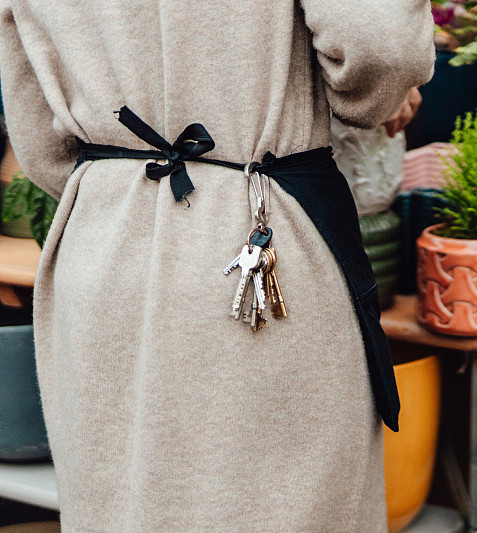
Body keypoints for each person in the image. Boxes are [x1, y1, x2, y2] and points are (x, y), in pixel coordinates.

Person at [0, 1, 434, 531]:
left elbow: (36, 128)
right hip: (258, 230)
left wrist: (115, 192)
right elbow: (381, 45)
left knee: (119, 506)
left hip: (103, 241)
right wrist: (379, 94)